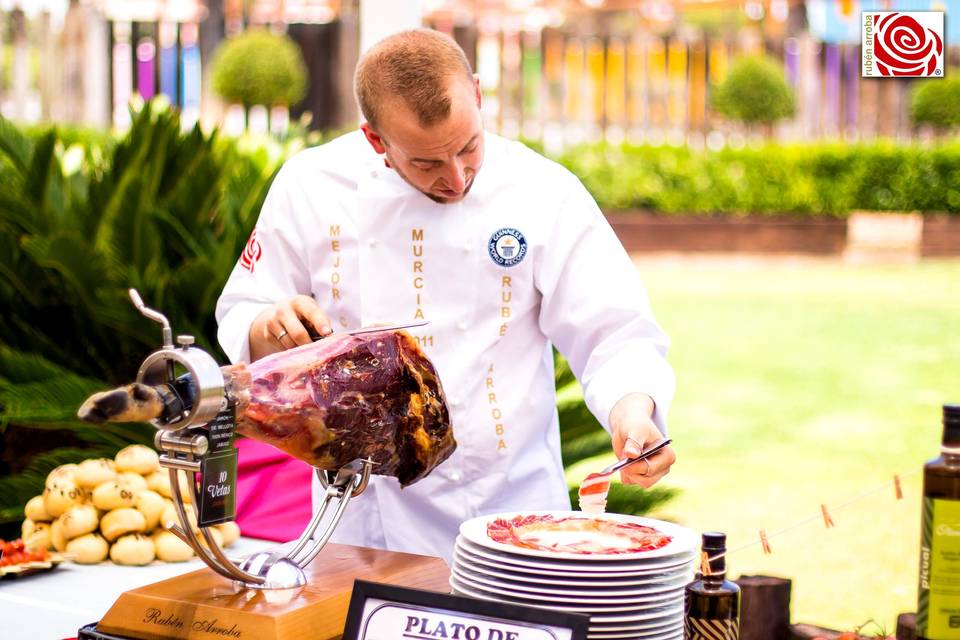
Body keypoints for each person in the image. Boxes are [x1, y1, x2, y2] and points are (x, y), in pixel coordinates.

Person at [216, 29, 676, 562]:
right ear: (375, 139)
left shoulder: (543, 192)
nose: (456, 178)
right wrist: (270, 325)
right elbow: (244, 309)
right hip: (362, 521)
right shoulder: (310, 187)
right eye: (427, 163)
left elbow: (615, 331)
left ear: (478, 96)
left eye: (468, 147)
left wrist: (633, 411)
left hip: (512, 514)